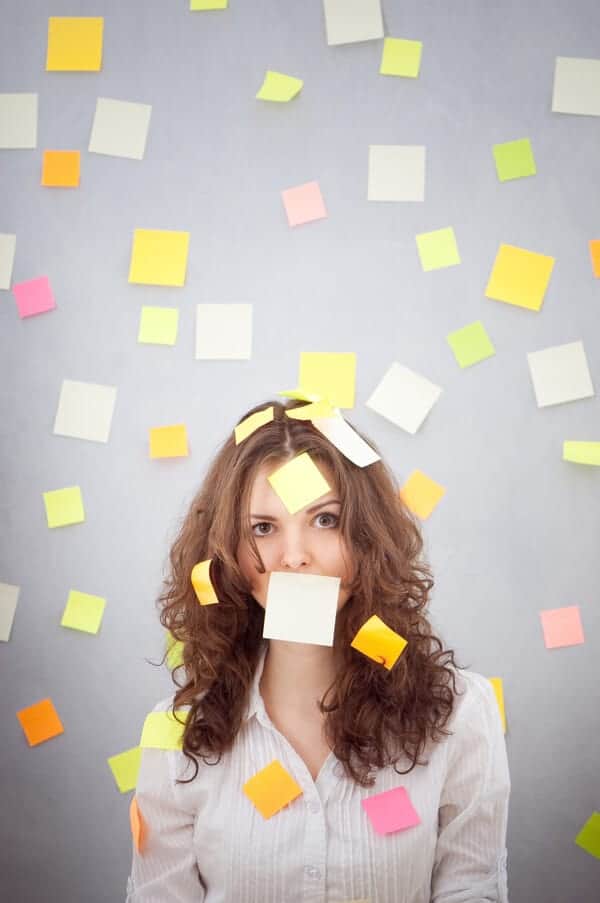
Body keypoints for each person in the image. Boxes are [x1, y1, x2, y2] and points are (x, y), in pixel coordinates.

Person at [126, 398, 510, 902]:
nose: (295, 555)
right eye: (263, 528)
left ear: (367, 537)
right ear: (229, 556)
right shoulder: (177, 741)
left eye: (325, 520)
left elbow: (473, 887)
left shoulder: (459, 713)